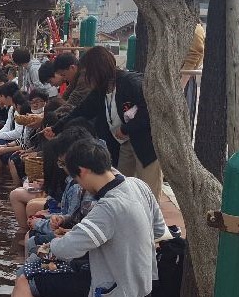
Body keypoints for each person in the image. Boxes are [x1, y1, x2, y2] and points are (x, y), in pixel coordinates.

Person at [3, 139, 165, 297]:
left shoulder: (109, 207)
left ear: (83, 171)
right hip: (143, 286)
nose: (80, 186)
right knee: (42, 269)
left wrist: (46, 247)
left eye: (76, 179)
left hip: (115, 295)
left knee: (26, 280)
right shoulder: (138, 185)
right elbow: (158, 231)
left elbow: (66, 249)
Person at [49, 46, 162, 199]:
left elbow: (150, 110)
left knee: (148, 190)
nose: (86, 77)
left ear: (98, 69)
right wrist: (55, 128)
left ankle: (149, 214)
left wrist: (127, 128)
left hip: (146, 143)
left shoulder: (129, 82)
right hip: (124, 143)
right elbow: (81, 110)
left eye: (88, 72)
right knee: (122, 186)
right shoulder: (101, 90)